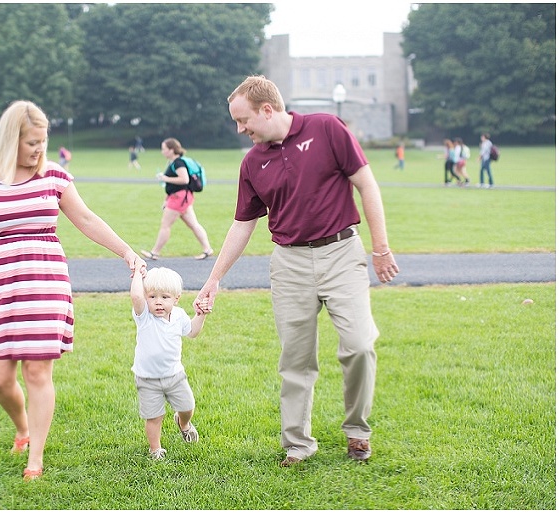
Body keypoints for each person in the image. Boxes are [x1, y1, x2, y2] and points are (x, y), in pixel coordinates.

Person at [193, 75, 399, 467]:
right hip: (289, 263)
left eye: (243, 120)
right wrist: (213, 279)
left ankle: (357, 432)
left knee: (359, 345)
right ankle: (298, 444)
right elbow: (243, 223)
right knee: (296, 359)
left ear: (267, 110)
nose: (240, 130)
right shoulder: (253, 161)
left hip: (341, 252)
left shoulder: (326, 129)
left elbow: (366, 185)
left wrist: (381, 248)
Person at [0, 100, 141, 482]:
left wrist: (125, 251)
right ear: (10, 140)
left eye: (43, 141)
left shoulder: (54, 175)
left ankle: (35, 458)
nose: (39, 149)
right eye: (31, 143)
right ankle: (21, 428)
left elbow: (86, 218)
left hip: (45, 280)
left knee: (38, 370)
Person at [130, 263, 208, 460]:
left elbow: (192, 332)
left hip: (174, 375)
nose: (158, 302)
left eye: (164, 297)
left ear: (176, 299)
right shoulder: (144, 316)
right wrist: (138, 275)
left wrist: (201, 315)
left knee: (187, 406)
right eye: (152, 296)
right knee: (154, 416)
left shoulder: (179, 315)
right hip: (147, 378)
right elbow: (137, 297)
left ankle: (183, 424)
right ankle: (155, 449)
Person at [140, 138, 214, 261]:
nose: (162, 152)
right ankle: (207, 249)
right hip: (182, 197)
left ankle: (155, 253)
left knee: (165, 225)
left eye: (164, 149)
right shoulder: (174, 163)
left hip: (179, 198)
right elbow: (173, 187)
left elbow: (184, 180)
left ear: (171, 150)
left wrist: (165, 178)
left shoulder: (178, 163)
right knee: (194, 224)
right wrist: (166, 199)